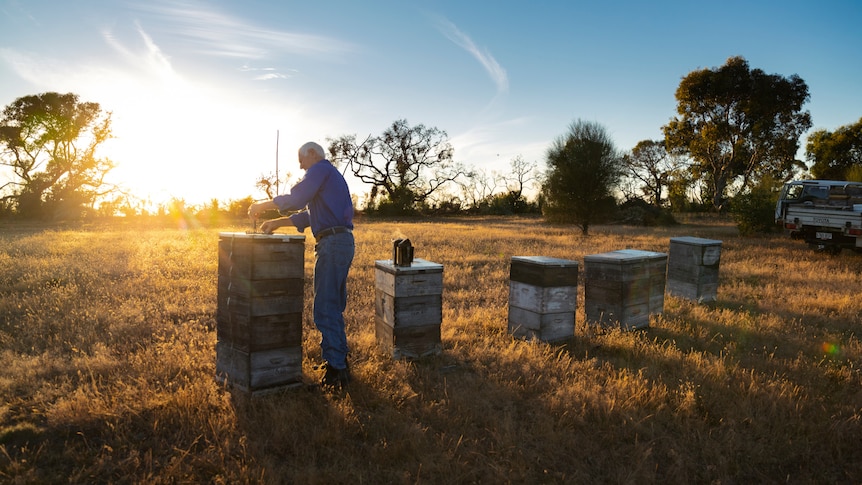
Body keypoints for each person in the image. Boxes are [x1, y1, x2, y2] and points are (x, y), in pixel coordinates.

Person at [248, 141, 355, 390]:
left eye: (301, 159)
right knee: (332, 305)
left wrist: (263, 206)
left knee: (325, 307)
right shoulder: (330, 178)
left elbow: (297, 199)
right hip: (339, 241)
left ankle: (337, 368)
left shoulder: (319, 169)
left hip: (332, 243)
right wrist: (278, 223)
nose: (300, 165)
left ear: (312, 154)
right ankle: (336, 360)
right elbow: (309, 215)